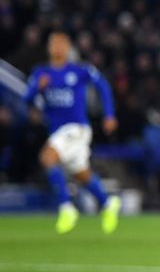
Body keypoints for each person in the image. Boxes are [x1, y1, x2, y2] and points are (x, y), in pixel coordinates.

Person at [22, 32, 122, 234]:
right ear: (49, 48)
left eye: (61, 44)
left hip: (76, 128)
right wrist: (37, 89)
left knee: (47, 157)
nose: (57, 48)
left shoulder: (78, 71)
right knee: (81, 174)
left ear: (68, 48)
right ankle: (108, 202)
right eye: (54, 44)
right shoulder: (41, 73)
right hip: (57, 131)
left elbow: (102, 85)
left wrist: (109, 114)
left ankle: (67, 208)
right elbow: (26, 99)